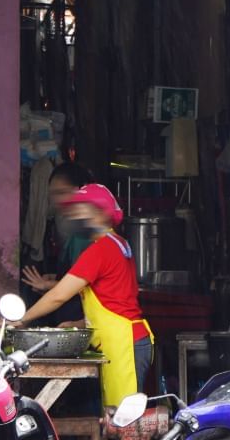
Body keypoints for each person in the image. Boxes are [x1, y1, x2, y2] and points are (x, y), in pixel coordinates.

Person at [16, 183, 153, 407]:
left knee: (125, 426)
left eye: (81, 210)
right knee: (119, 420)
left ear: (100, 212)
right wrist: (79, 323)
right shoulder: (118, 244)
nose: (75, 216)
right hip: (128, 339)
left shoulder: (99, 251)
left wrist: (22, 319)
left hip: (124, 345)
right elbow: (114, 298)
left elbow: (58, 295)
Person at [22, 162, 93, 325]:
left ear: (79, 192)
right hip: (70, 318)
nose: (55, 200)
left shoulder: (87, 235)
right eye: (53, 194)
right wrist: (56, 277)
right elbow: (79, 272)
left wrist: (48, 285)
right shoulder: (74, 231)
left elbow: (84, 285)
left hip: (81, 318)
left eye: (61, 192)